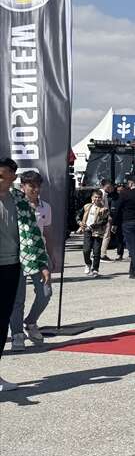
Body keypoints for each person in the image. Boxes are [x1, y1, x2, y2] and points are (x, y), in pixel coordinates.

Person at [0, 158, 51, 391]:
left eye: (2, 176)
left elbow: (33, 235)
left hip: (12, 265)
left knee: (3, 321)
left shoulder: (20, 201)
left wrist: (42, 264)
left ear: (13, 177)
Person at [8, 171, 55, 351]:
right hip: (16, 256)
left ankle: (30, 322)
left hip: (39, 255)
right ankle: (17, 334)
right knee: (17, 298)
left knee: (45, 292)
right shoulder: (14, 204)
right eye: (31, 186)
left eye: (38, 186)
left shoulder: (45, 207)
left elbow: (47, 233)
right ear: (23, 186)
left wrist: (52, 255)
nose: (35, 189)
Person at [77, 190, 109, 277]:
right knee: (86, 250)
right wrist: (79, 222)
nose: (97, 199)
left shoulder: (104, 209)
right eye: (95, 197)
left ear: (101, 198)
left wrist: (93, 226)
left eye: (99, 197)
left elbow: (104, 221)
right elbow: (78, 215)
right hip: (87, 230)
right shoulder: (87, 206)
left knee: (96, 251)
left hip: (98, 232)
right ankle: (88, 263)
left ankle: (95, 269)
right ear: (92, 198)